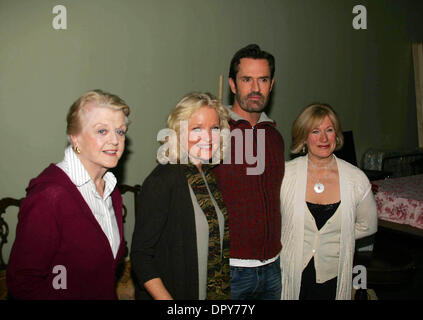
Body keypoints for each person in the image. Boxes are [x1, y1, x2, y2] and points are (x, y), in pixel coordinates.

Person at [7, 90, 130, 299]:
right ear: (75, 138)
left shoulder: (110, 189)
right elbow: (23, 285)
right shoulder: (50, 195)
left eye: (120, 131)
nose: (115, 141)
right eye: (102, 131)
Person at [130, 92, 231, 300]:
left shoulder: (208, 176)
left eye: (214, 128)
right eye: (197, 128)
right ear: (178, 132)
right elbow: (141, 257)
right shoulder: (164, 179)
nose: (208, 137)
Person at [280, 103, 378, 300]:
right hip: (290, 273)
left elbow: (369, 226)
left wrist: (339, 236)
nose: (323, 138)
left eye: (329, 130)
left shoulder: (355, 179)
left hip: (333, 275)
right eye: (315, 131)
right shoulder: (284, 174)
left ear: (337, 135)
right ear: (304, 137)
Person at [213, 44, 285, 299]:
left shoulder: (275, 137)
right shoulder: (214, 133)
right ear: (233, 85)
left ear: (271, 84)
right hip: (229, 271)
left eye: (263, 80)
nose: (255, 88)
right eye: (247, 79)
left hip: (273, 268)